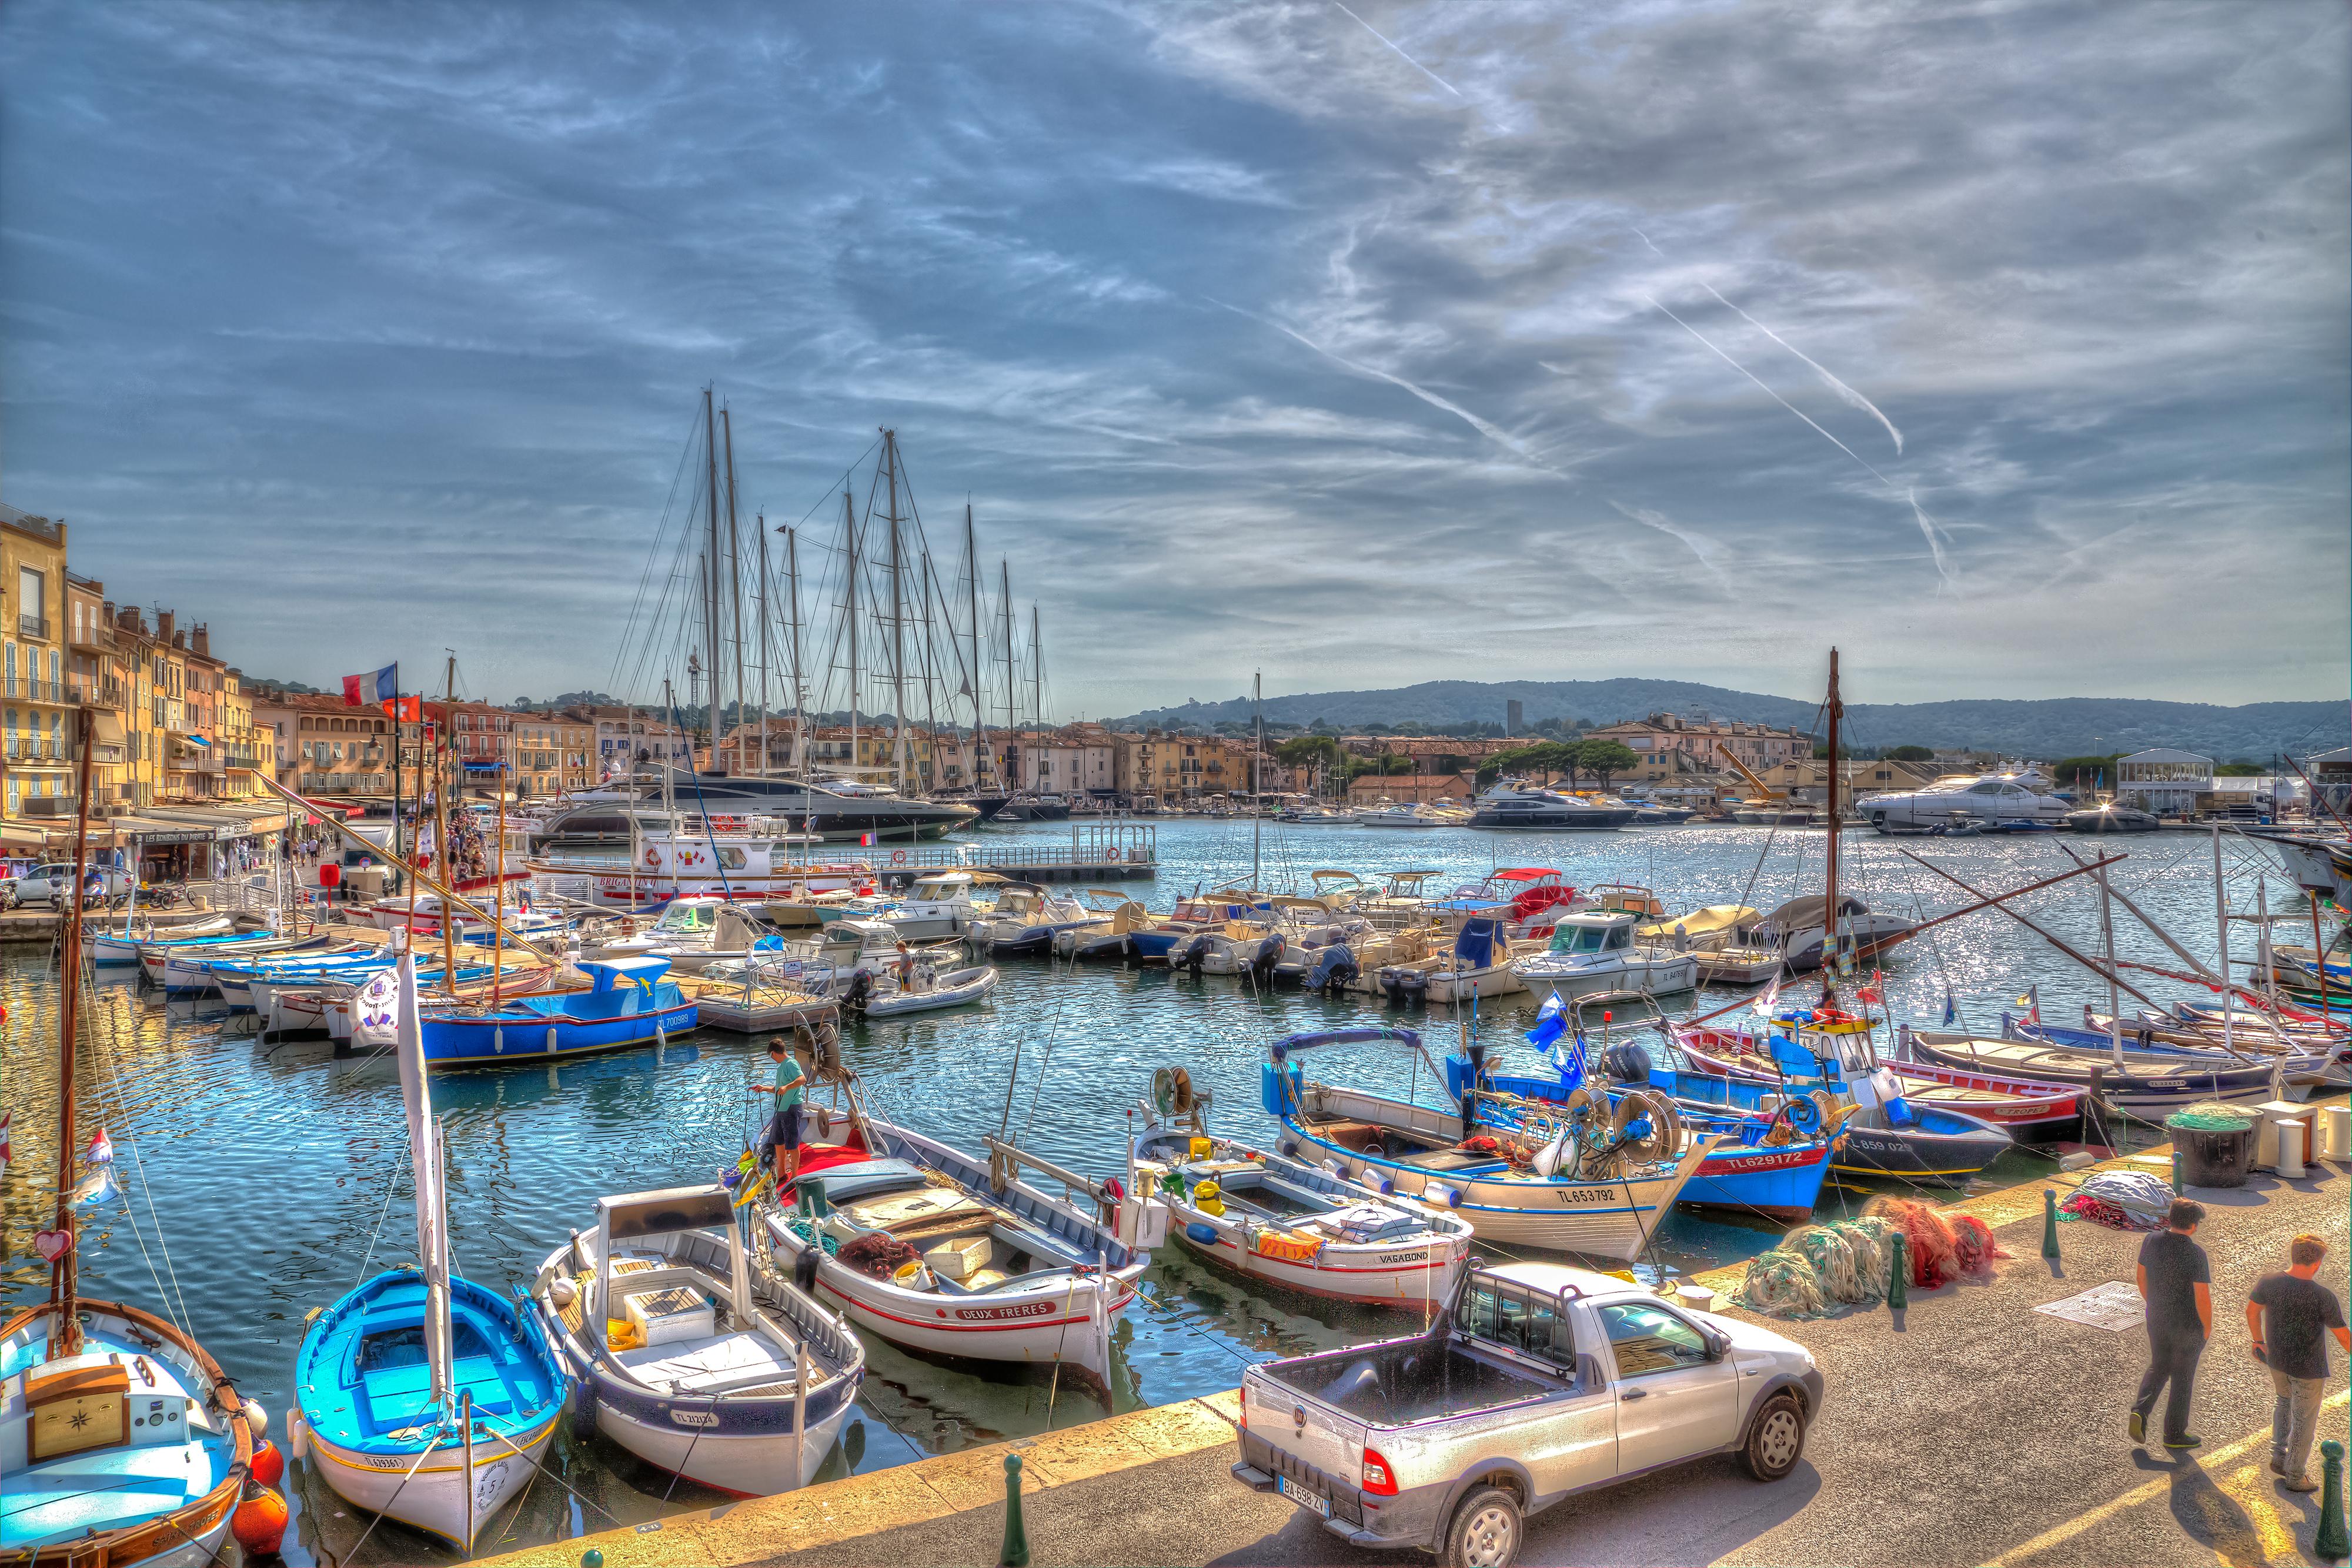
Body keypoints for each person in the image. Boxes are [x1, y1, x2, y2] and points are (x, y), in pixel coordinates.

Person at [2246, 1233, 2350, 1492]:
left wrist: (2259, 1341)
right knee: (2304, 1420)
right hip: (2308, 1369)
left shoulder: (2269, 1282)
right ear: (2317, 1263)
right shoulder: (2322, 1296)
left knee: (2283, 1401)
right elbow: (2344, 1337)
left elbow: (2251, 1311)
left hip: (2277, 1360)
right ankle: (2295, 1475)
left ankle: (2279, 1457)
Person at [2132, 1198, 2213, 1450]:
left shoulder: (2151, 1240)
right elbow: (2202, 1297)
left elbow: (2141, 1277)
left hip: (2156, 1316)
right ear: (2192, 1225)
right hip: (2188, 1324)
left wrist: (2153, 1304)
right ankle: (2174, 1434)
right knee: (2183, 1376)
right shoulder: (2196, 1254)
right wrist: (2207, 1327)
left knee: (2159, 1365)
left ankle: (2140, 1411)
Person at [751, 1034, 810, 1186]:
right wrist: (764, 1088)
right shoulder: (782, 1067)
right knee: (778, 1141)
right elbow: (779, 1089)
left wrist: (787, 1087)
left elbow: (802, 1079)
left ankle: (795, 1176)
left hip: (791, 1107)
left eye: (771, 1056)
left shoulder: (791, 1064)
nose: (772, 1059)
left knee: (792, 1143)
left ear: (775, 1053)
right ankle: (782, 1172)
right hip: (781, 1109)